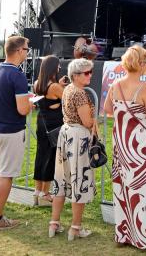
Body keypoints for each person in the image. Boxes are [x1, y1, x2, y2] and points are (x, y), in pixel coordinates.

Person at [103, 45, 146, 248]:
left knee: (124, 188)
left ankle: (124, 233)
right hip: (140, 146)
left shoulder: (115, 85)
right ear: (141, 64)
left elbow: (107, 109)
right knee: (144, 188)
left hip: (122, 144)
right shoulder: (144, 88)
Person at [0, 35, 33, 230]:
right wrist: (30, 103)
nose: (27, 53)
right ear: (19, 50)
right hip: (11, 130)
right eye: (27, 49)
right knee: (6, 175)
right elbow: (22, 109)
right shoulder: (17, 75)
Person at [49, 58, 97, 241]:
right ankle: (75, 228)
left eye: (91, 71)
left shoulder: (68, 89)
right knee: (80, 181)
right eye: (87, 73)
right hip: (78, 138)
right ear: (76, 75)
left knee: (61, 180)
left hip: (66, 134)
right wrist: (96, 120)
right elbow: (87, 122)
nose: (90, 75)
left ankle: (54, 223)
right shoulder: (79, 93)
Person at [32, 55, 66, 207]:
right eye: (58, 65)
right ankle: (45, 193)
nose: (59, 68)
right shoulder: (55, 87)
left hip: (42, 122)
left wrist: (59, 85)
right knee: (50, 157)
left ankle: (37, 191)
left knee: (40, 155)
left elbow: (49, 95)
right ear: (53, 67)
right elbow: (68, 98)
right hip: (54, 125)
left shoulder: (37, 83)